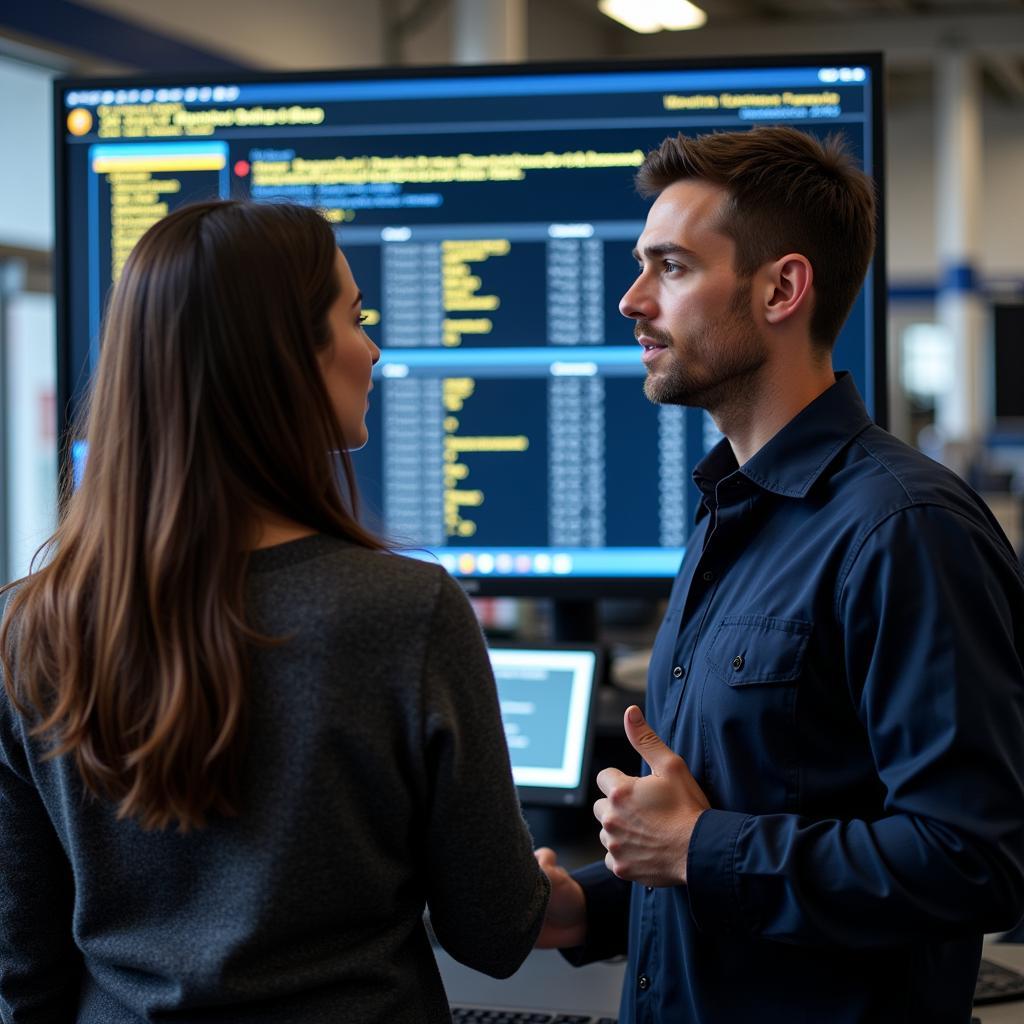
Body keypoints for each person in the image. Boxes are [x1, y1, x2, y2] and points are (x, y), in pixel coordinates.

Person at [0, 199, 548, 1022]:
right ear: (285, 358)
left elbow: (22, 969)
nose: (372, 350)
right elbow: (495, 931)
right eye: (355, 318)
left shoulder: (30, 630)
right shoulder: (406, 612)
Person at [534, 126, 1024, 1023]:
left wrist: (694, 847)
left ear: (782, 289)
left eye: (671, 268)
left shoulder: (904, 530)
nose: (631, 300)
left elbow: (978, 861)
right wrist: (585, 907)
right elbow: (725, 820)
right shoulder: (731, 512)